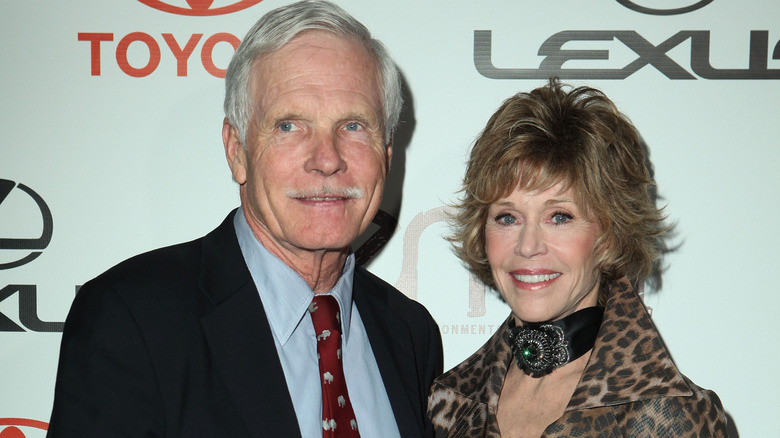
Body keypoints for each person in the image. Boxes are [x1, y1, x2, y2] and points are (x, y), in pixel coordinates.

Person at [47, 1, 443, 437]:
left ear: (386, 155)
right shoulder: (132, 320)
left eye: (354, 126)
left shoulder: (410, 332)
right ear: (237, 152)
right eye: (289, 126)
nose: (327, 160)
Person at [427, 79, 727, 437]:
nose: (528, 245)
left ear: (607, 234)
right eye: (507, 217)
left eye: (559, 217)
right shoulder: (450, 400)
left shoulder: (669, 413)